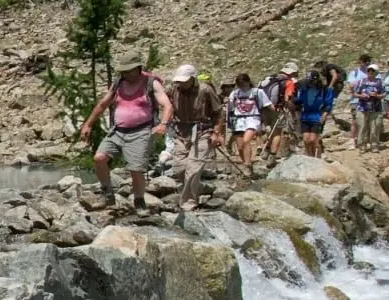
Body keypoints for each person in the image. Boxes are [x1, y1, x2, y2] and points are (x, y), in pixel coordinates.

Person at [79, 51, 173, 214]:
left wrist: (163, 124)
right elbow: (102, 104)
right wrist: (88, 124)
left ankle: (139, 201)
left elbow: (167, 105)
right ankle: (108, 195)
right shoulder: (118, 83)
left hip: (141, 130)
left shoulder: (150, 83)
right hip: (118, 130)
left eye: (129, 70)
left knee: (135, 169)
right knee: (99, 158)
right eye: (124, 71)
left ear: (138, 68)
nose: (126, 74)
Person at [164, 64, 222, 210]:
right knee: (179, 168)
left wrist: (216, 133)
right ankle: (195, 188)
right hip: (180, 131)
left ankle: (188, 203)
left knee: (193, 167)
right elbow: (165, 104)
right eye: (179, 81)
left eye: (185, 81)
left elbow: (219, 112)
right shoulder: (173, 89)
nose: (181, 84)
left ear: (193, 79)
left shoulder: (205, 90)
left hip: (202, 130)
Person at [224, 73, 270, 173]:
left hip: (253, 119)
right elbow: (230, 108)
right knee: (240, 147)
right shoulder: (235, 93)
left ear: (248, 82)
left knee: (246, 141)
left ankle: (248, 164)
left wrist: (274, 114)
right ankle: (246, 164)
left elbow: (268, 104)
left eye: (243, 84)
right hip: (238, 120)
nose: (242, 87)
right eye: (240, 85)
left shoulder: (258, 92)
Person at [294, 67, 336, 157]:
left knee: (313, 139)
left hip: (317, 116)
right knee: (306, 139)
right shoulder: (303, 90)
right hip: (305, 116)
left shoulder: (323, 91)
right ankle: (309, 156)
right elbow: (298, 102)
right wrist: (298, 115)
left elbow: (328, 104)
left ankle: (317, 157)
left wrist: (324, 115)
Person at [262, 63, 300, 162]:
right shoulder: (288, 82)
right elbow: (288, 99)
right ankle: (272, 157)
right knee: (277, 133)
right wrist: (292, 111)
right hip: (277, 109)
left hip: (263, 108)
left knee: (269, 129)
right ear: (292, 73)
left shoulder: (269, 78)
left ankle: (266, 150)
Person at [352, 63, 386, 152]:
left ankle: (374, 145)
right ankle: (362, 145)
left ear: (376, 72)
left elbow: (384, 94)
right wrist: (361, 95)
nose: (370, 72)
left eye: (373, 71)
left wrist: (377, 95)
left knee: (375, 127)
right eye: (369, 70)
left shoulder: (379, 82)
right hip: (362, 107)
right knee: (362, 126)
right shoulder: (361, 81)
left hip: (376, 108)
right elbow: (355, 93)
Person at [345, 54, 372, 144]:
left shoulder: (372, 72)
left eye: (368, 61)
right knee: (355, 121)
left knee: (368, 120)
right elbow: (351, 85)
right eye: (364, 61)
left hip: (369, 100)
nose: (366, 63)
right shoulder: (354, 73)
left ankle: (366, 139)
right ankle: (353, 139)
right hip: (356, 100)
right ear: (360, 61)